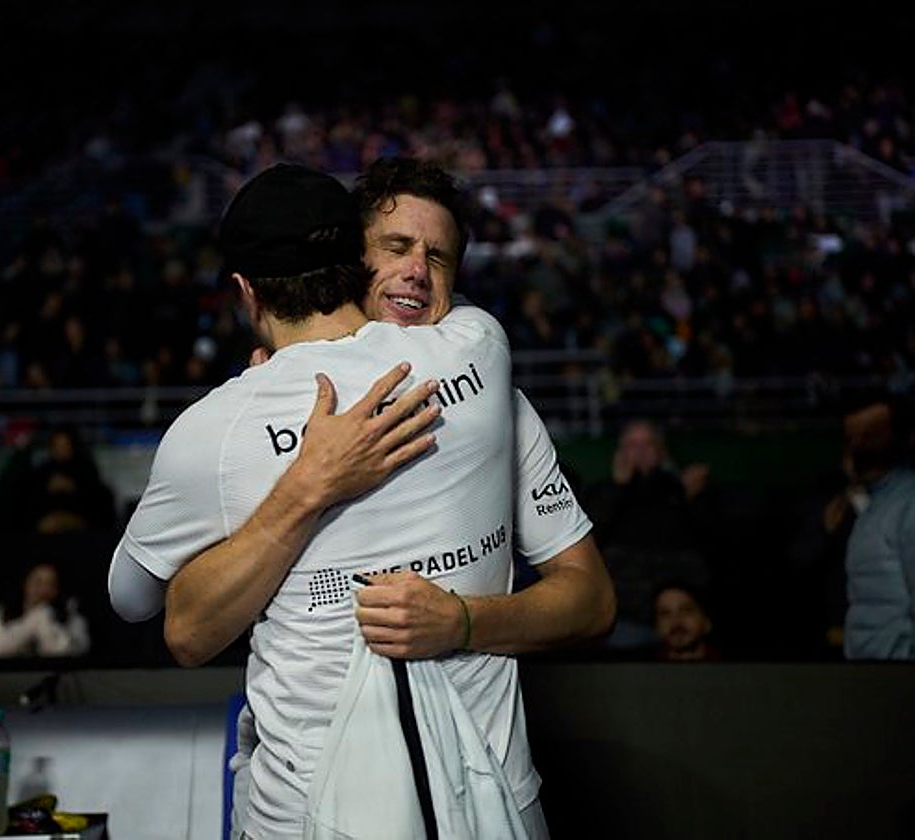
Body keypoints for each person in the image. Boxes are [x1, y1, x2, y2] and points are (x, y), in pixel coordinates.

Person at [109, 161, 614, 839]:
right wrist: (304, 484)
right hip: (309, 809)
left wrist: (462, 622)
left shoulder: (491, 393)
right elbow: (185, 628)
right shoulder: (479, 350)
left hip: (484, 798)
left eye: (438, 257)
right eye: (397, 248)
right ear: (348, 259)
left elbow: (593, 601)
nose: (416, 273)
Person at [581, 417, 712, 650]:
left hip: (679, 610)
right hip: (625, 615)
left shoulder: (679, 490)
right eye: (633, 445)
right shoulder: (602, 491)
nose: (640, 451)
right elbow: (587, 540)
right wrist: (617, 488)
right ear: (620, 453)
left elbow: (705, 543)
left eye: (647, 444)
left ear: (661, 451)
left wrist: (687, 498)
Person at [842, 396, 915, 660]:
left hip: (897, 676)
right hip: (871, 676)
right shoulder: (867, 507)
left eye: (872, 435)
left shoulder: (909, 503)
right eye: (851, 436)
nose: (858, 444)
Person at [0, 560, 91, 659]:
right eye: (38, 582)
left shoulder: (70, 614)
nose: (43, 589)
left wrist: (44, 620)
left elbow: (73, 651)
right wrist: (33, 622)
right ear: (26, 583)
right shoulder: (4, 612)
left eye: (50, 584)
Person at [651, 579, 721, 661]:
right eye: (665, 614)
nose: (676, 622)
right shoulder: (644, 670)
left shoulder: (731, 668)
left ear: (707, 622)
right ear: (656, 627)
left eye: (686, 610)